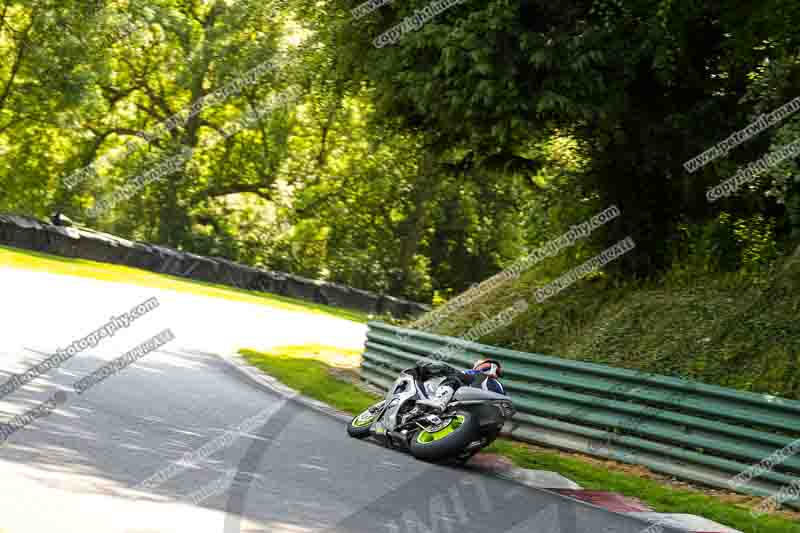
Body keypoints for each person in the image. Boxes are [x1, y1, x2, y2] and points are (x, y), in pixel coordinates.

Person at [415, 358, 505, 412]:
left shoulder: (481, 375)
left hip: (482, 403)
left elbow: (490, 367)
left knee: (453, 375)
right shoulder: (498, 385)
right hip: (487, 409)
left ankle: (439, 401)